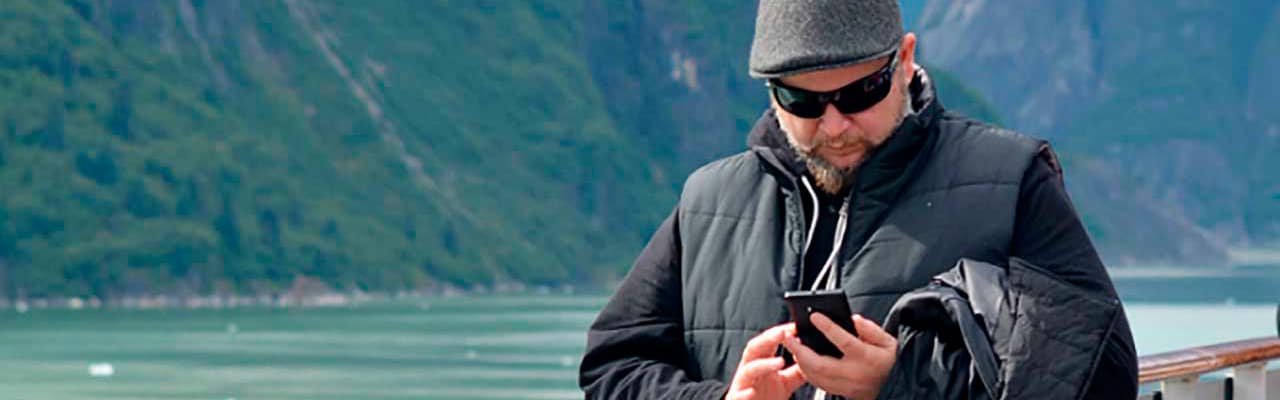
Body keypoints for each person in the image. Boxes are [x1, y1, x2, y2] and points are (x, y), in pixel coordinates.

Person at [578, 0, 1138, 399]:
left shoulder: (1013, 179)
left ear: (905, 60)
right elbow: (613, 365)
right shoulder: (707, 199)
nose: (835, 124)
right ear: (771, 92)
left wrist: (901, 383)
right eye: (802, 100)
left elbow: (1103, 376)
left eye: (860, 92)